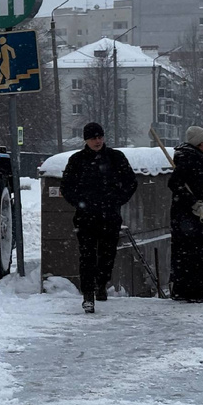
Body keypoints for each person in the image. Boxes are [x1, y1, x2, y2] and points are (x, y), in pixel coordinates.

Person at [59, 121, 138, 314]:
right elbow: (66, 186)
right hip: (85, 217)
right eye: (93, 138)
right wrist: (80, 203)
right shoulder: (77, 160)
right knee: (87, 256)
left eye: (100, 137)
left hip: (109, 216)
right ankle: (88, 294)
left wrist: (117, 200)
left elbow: (130, 182)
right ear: (86, 139)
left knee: (107, 254)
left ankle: (101, 283)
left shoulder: (115, 158)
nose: (97, 141)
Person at [168, 126, 203, 303]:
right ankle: (190, 291)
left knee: (192, 252)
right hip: (187, 216)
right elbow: (175, 182)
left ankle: (189, 290)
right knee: (190, 252)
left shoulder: (197, 157)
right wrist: (192, 202)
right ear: (198, 143)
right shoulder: (189, 157)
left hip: (196, 214)